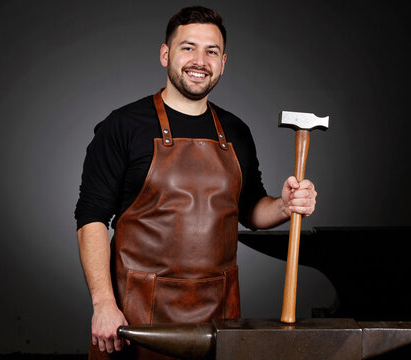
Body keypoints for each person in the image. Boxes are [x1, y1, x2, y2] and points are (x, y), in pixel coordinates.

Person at [75, 6, 317, 359]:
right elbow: (91, 218)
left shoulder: (236, 131)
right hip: (136, 318)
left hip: (219, 318)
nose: (199, 60)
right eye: (188, 47)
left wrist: (284, 205)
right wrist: (103, 305)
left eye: (211, 51)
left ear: (223, 62)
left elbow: (250, 210)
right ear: (165, 54)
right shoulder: (124, 126)